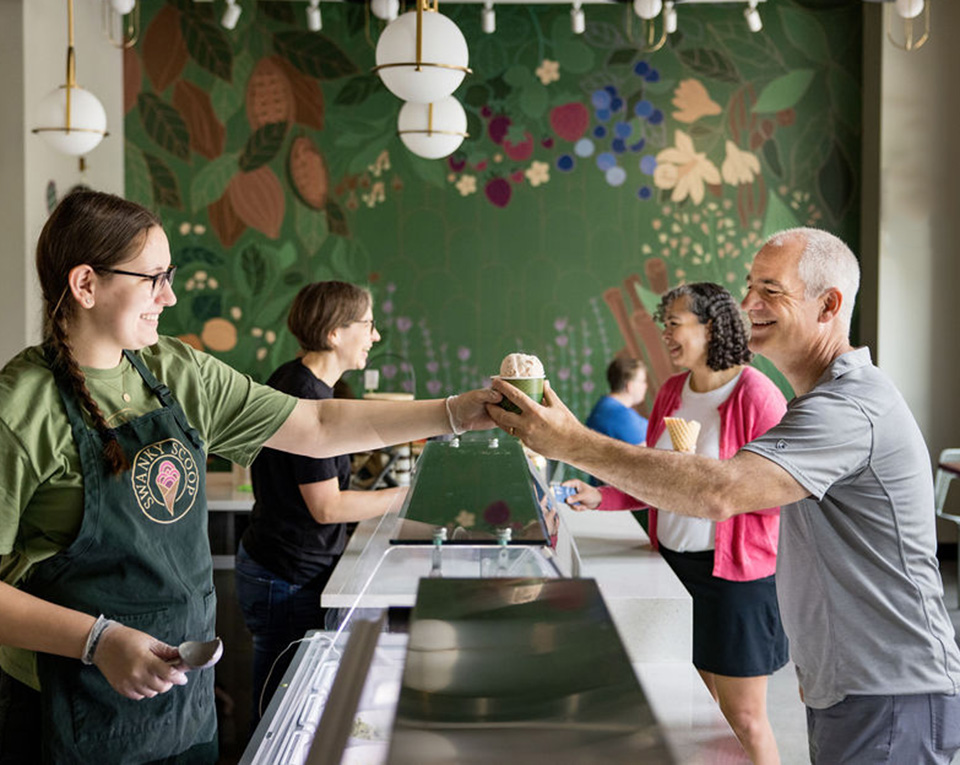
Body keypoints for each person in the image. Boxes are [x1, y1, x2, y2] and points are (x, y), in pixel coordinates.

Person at [0, 190, 499, 764]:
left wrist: (457, 412)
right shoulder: (21, 408)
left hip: (181, 707)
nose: (171, 295)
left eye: (171, 275)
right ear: (86, 284)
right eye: (154, 278)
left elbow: (316, 423)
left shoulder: (177, 370)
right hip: (67, 711)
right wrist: (96, 641)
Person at [489, 228, 960, 764]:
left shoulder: (848, 407)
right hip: (853, 683)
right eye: (748, 286)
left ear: (828, 305)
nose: (748, 305)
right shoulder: (819, 401)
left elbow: (721, 490)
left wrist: (570, 443)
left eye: (771, 291)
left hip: (890, 690)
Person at [569, 283, 788, 764]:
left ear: (710, 327)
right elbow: (651, 477)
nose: (664, 333)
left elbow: (781, 495)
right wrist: (599, 495)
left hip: (734, 580)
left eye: (674, 323)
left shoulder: (757, 396)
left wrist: (711, 487)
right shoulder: (671, 392)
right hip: (673, 570)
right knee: (701, 713)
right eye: (662, 322)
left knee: (745, 721)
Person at [236, 281, 405, 724]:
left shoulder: (300, 381)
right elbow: (326, 507)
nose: (375, 336)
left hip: (282, 565)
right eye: (368, 325)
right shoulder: (306, 396)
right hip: (286, 574)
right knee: (279, 711)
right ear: (334, 333)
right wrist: (403, 498)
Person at [585, 356, 648, 446]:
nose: (645, 386)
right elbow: (650, 446)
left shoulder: (605, 406)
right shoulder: (617, 414)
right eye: (643, 381)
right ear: (630, 385)